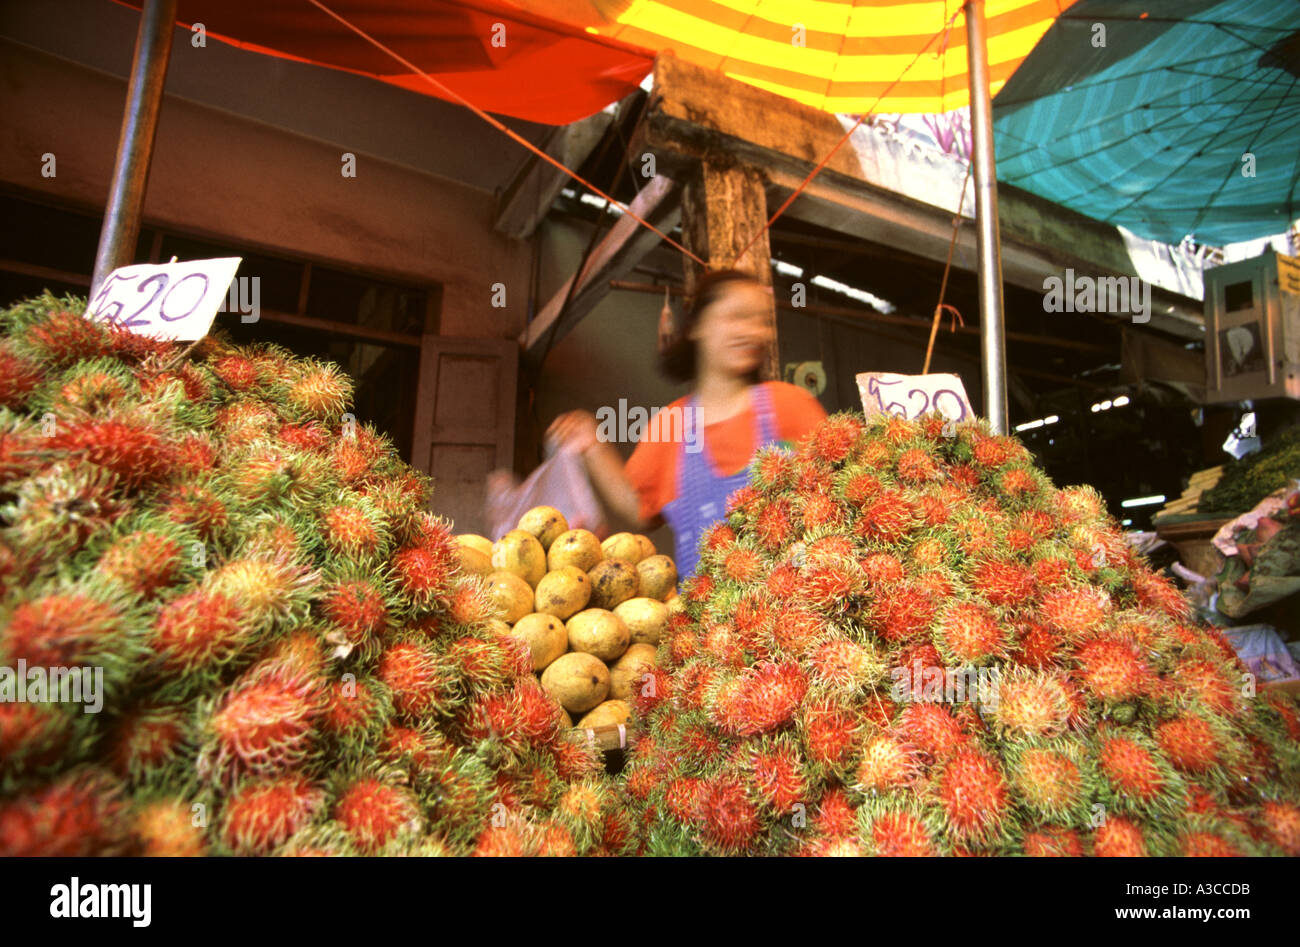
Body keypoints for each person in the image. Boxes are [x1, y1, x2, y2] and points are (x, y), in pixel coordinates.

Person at [548, 269, 827, 579]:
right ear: (697, 327)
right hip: (703, 623)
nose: (753, 331)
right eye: (737, 316)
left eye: (761, 321)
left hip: (797, 619)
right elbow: (640, 506)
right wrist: (593, 445)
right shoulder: (672, 425)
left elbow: (838, 499)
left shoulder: (791, 406)